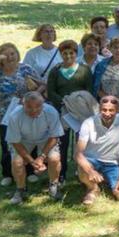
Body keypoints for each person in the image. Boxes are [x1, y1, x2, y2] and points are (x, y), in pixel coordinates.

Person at [0, 43, 43, 186]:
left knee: (28, 141)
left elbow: (42, 84)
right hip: (5, 114)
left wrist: (35, 94)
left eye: (13, 53)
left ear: (17, 54)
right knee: (6, 143)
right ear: (1, 57)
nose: (10, 57)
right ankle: (7, 174)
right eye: (6, 55)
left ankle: (29, 170)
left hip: (26, 111)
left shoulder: (25, 69)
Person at [46, 40, 93, 183]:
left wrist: (77, 102)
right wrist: (64, 102)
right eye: (64, 53)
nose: (68, 56)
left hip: (81, 112)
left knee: (81, 143)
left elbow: (89, 90)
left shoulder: (84, 70)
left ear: (76, 53)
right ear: (60, 54)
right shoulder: (55, 71)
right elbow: (51, 91)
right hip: (62, 112)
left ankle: (81, 172)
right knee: (62, 143)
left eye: (71, 53)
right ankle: (62, 173)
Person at [75, 96, 119, 206]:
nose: (107, 113)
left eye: (111, 110)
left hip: (113, 162)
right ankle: (93, 188)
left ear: (118, 110)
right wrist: (90, 171)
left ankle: (108, 181)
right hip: (91, 160)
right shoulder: (88, 123)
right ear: (99, 109)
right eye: (104, 110)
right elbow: (78, 154)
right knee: (83, 169)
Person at [5, 92, 64, 204]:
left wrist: (41, 157)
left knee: (54, 158)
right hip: (23, 140)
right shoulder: (14, 115)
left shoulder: (51, 112)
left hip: (46, 139)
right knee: (17, 162)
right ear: (23, 105)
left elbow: (55, 136)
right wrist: (32, 161)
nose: (34, 110)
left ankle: (54, 186)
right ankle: (21, 189)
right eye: (29, 107)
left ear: (43, 104)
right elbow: (15, 142)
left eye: (38, 106)